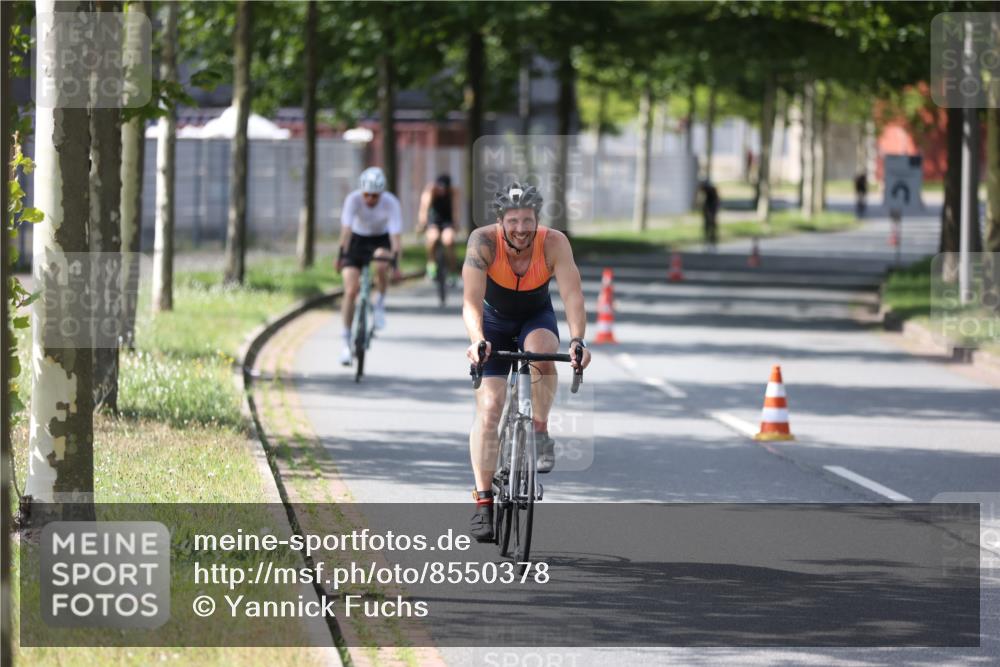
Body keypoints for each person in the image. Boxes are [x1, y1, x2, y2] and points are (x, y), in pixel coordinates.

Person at [462, 182, 592, 542]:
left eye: (528, 220)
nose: (521, 228)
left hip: (536, 316)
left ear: (537, 219)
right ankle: (483, 503)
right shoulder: (482, 242)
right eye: (514, 220)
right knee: (490, 407)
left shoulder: (554, 243)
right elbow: (471, 300)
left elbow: (572, 294)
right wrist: (477, 342)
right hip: (493, 323)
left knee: (543, 358)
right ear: (500, 221)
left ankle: (539, 427)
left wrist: (578, 339)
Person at [336, 167, 402, 366]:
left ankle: (379, 303)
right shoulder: (353, 200)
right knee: (350, 290)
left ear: (381, 193)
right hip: (357, 239)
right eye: (367, 195)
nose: (370, 199)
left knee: (382, 263)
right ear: (361, 191)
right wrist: (340, 255)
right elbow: (346, 230)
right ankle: (346, 343)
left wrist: (396, 264)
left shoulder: (391, 202)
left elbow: (395, 237)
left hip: (380, 240)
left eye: (375, 196)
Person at [416, 174, 460, 282]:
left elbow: (455, 210)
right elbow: (424, 208)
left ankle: (453, 271)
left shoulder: (453, 192)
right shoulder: (430, 190)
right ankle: (431, 264)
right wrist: (422, 223)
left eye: (444, 188)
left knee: (448, 240)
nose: (442, 191)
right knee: (432, 238)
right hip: (433, 220)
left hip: (447, 220)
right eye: (440, 188)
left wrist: (455, 223)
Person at [700, 180, 720, 250]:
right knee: (707, 226)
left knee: (712, 226)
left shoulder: (711, 191)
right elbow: (705, 205)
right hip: (708, 209)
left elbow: (715, 202)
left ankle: (712, 241)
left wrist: (711, 214)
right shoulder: (707, 191)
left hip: (712, 208)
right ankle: (707, 240)